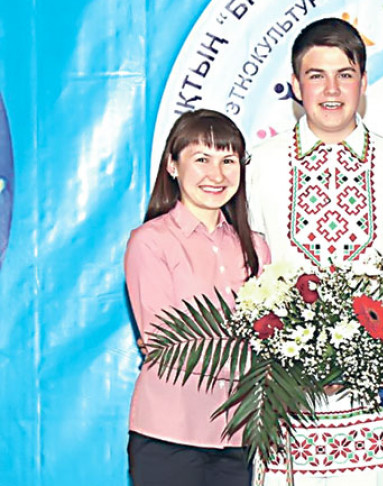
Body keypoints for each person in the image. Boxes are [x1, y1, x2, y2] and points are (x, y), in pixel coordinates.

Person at [246, 17, 383, 486]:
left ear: (363, 83)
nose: (331, 89)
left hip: (377, 399)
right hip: (287, 395)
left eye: (344, 75)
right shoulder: (260, 166)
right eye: (316, 75)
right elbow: (245, 272)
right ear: (295, 85)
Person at [124, 109, 271, 486]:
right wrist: (258, 357)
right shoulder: (150, 242)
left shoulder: (256, 247)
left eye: (228, 161)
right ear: (172, 165)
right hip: (169, 434)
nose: (217, 175)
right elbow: (168, 344)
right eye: (202, 159)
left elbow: (271, 334)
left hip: (238, 436)